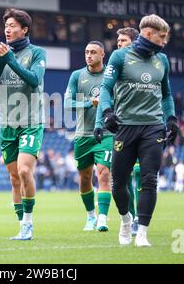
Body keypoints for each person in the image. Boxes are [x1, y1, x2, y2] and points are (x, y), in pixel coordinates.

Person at [94, 14, 178, 247]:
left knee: (149, 180)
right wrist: (107, 113)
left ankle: (142, 233)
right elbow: (106, 88)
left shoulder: (163, 60)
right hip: (125, 127)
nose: (165, 41)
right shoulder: (119, 57)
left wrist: (171, 118)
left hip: (153, 127)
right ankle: (125, 218)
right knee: (118, 182)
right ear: (148, 34)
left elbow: (167, 94)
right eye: (162, 36)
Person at [0, 8, 46, 240]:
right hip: (7, 123)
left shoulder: (37, 53)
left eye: (12, 26)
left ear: (25, 29)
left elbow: (34, 80)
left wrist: (9, 59)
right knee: (13, 178)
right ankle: (21, 225)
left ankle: (28, 223)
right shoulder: (0, 54)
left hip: (31, 121)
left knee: (24, 170)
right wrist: (1, 61)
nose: (8, 29)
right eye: (6, 26)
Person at [64, 41, 112, 232]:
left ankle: (102, 218)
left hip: (106, 134)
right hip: (83, 134)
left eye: (93, 52)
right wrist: (89, 103)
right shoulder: (77, 75)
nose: (89, 55)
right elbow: (68, 102)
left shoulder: (111, 75)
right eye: (87, 52)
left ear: (102, 55)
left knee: (104, 173)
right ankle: (90, 216)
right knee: (84, 179)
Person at [116, 27, 141, 236]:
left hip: (146, 128)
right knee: (123, 177)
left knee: (142, 173)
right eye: (118, 40)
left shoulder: (148, 66)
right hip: (123, 128)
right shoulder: (116, 67)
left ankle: (141, 218)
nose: (119, 43)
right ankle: (130, 217)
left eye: (123, 40)